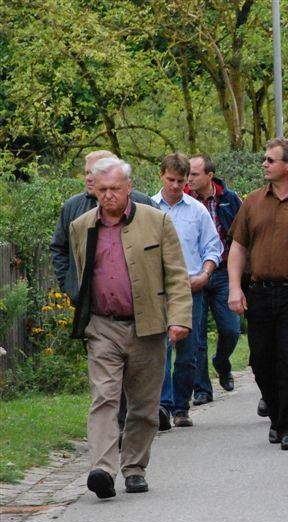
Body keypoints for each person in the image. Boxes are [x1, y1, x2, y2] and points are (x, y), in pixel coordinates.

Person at [68, 156, 192, 499]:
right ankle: (102, 470)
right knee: (104, 398)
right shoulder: (82, 227)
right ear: (94, 190)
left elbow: (177, 277)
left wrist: (180, 318)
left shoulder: (157, 222)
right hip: (103, 326)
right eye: (102, 189)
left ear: (129, 188)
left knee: (143, 404)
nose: (108, 195)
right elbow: (81, 273)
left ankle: (134, 467)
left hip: (148, 325)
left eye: (115, 189)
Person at [228, 138, 288, 450]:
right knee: (261, 360)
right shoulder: (253, 201)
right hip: (259, 291)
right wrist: (233, 288)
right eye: (265, 160)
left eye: (271, 160)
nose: (265, 164)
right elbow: (238, 247)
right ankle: (276, 417)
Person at [153, 153, 222, 429]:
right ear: (161, 176)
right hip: (157, 291)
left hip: (189, 288)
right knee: (160, 350)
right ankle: (163, 406)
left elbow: (213, 248)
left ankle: (181, 406)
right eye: (171, 180)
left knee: (187, 352)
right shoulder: (148, 208)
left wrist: (205, 274)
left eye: (181, 181)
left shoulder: (197, 211)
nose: (175, 186)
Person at [51, 150, 155, 304]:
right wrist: (70, 286)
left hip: (139, 305)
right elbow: (59, 248)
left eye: (94, 172)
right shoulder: (73, 207)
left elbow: (160, 250)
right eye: (86, 172)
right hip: (90, 309)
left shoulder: (143, 204)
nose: (88, 178)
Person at [186, 154, 242, 406]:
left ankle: (222, 362)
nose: (189, 179)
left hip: (223, 273)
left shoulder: (229, 200)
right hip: (192, 274)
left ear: (210, 176)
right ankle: (202, 389)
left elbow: (242, 236)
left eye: (195, 174)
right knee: (195, 335)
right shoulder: (183, 201)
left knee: (231, 329)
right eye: (188, 174)